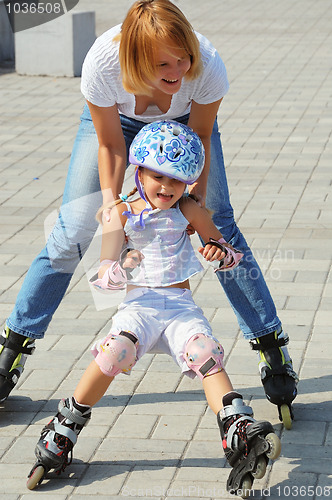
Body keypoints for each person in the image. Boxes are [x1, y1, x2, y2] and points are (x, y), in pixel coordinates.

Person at [0, 0, 297, 426]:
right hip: (118, 127)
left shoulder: (208, 65)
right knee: (72, 229)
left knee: (220, 223)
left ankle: (272, 346)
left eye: (184, 58)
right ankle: (12, 348)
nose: (179, 69)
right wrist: (110, 202)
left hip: (185, 136)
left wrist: (193, 208)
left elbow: (201, 140)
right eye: (164, 63)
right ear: (137, 59)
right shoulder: (103, 63)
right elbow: (110, 146)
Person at [26, 121, 281, 495]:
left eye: (177, 180)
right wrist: (121, 265)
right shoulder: (120, 213)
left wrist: (216, 251)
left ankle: (236, 427)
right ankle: (65, 424)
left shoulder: (190, 209)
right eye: (158, 176)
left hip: (179, 308)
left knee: (205, 353)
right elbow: (102, 278)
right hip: (138, 308)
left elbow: (229, 255)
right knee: (115, 351)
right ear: (139, 170)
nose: (166, 187)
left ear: (188, 183)